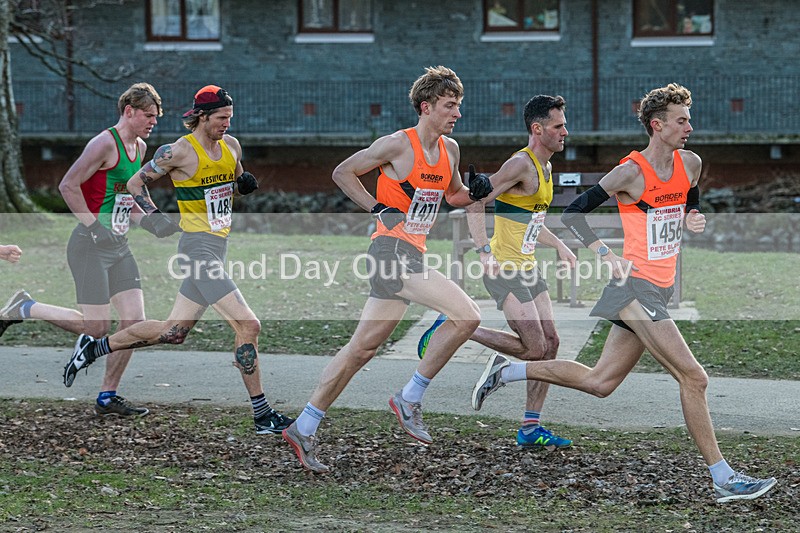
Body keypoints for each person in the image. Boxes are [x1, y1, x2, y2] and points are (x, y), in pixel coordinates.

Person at [471, 83, 777, 502]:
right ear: (657, 125)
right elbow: (576, 212)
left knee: (601, 382)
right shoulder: (629, 172)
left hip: (659, 288)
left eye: (689, 118)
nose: (690, 126)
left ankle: (505, 372)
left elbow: (690, 197)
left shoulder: (691, 163)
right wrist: (603, 252)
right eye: (681, 120)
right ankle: (723, 477)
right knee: (694, 377)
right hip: (634, 287)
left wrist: (693, 215)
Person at [282, 66, 492, 473]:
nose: (457, 114)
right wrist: (377, 208)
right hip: (390, 251)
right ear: (425, 106)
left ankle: (303, 426)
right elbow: (342, 172)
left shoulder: (450, 150)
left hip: (410, 251)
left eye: (459, 106)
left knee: (361, 349)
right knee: (467, 314)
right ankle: (410, 397)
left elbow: (452, 196)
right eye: (450, 106)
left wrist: (477, 192)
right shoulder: (397, 145)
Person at [61, 85, 294, 435]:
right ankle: (263, 415)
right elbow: (135, 184)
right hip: (196, 249)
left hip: (218, 246)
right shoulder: (178, 152)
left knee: (173, 332)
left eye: (229, 118)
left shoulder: (231, 147)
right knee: (249, 325)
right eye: (220, 118)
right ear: (201, 117)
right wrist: (153, 215)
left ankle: (96, 348)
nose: (226, 125)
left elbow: (226, 189)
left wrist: (240, 187)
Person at [0, 83, 172, 417]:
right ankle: (25, 306)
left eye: (156, 117)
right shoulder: (104, 143)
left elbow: (130, 201)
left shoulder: (140, 147)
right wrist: (94, 227)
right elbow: (67, 185)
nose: (153, 122)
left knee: (134, 322)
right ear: (129, 111)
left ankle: (108, 396)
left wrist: (154, 223)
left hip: (119, 245)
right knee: (96, 329)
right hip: (89, 245)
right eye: (148, 116)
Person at [418, 94, 576, 448]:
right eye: (558, 125)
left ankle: (530, 427)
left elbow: (530, 221)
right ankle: (456, 327)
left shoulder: (545, 167)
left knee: (551, 343)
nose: (566, 131)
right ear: (538, 129)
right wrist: (484, 250)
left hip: (528, 267)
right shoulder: (520, 164)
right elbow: (477, 200)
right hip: (504, 268)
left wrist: (561, 245)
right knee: (534, 349)